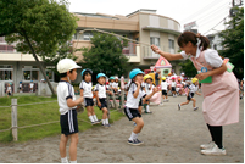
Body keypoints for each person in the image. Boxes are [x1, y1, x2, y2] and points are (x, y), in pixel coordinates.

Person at [151, 32, 239, 155]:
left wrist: (206, 74)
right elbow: (171, 57)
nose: (181, 49)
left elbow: (224, 67)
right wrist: (158, 51)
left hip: (224, 86)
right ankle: (214, 142)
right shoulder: (191, 55)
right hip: (214, 86)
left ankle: (219, 148)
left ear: (190, 44)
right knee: (206, 110)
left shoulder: (208, 54)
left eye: (182, 46)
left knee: (213, 111)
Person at [56, 59, 83, 163]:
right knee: (74, 139)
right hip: (69, 114)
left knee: (64, 138)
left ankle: (64, 161)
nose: (76, 73)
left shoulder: (59, 85)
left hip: (63, 114)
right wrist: (79, 100)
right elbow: (69, 103)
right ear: (68, 72)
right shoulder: (68, 86)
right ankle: (73, 162)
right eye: (75, 71)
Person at [124, 68, 157, 145]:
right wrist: (138, 86)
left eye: (142, 75)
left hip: (135, 109)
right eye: (139, 76)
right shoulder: (132, 86)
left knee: (141, 124)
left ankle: (134, 138)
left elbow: (146, 97)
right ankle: (131, 139)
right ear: (134, 78)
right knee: (140, 123)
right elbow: (135, 96)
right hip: (129, 108)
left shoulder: (141, 88)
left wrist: (153, 93)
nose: (142, 77)